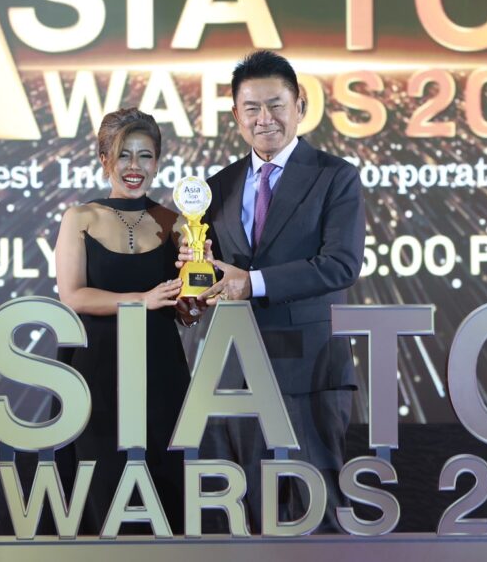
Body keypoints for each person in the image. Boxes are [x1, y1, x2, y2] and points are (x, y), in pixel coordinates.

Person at [179, 50, 366, 533]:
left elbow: (341, 264)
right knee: (253, 519)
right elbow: (216, 276)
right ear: (236, 115)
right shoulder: (218, 186)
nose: (265, 119)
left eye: (276, 105)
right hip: (238, 373)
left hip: (311, 370)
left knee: (318, 515)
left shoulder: (334, 176)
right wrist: (195, 276)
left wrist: (251, 283)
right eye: (252, 108)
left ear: (299, 105)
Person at [54, 108, 189, 535]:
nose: (135, 166)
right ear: (104, 159)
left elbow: (187, 312)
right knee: (101, 486)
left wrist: (199, 286)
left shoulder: (176, 223)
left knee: (165, 487)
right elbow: (73, 296)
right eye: (124, 155)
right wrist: (141, 301)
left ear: (157, 162)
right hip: (97, 373)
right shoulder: (80, 217)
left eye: (145, 155)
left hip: (160, 371)